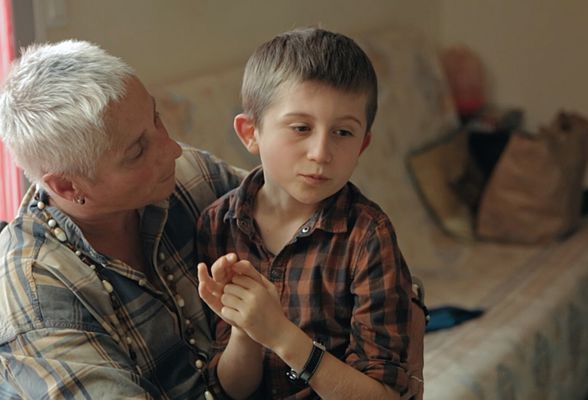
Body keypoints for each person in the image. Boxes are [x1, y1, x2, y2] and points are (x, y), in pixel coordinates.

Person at [0, 40, 244, 399]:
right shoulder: (37, 305)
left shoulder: (188, 176)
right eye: (137, 151)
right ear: (67, 185)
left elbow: (319, 220)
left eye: (156, 118)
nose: (173, 149)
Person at [197, 27, 425, 399]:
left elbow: (384, 395)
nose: (321, 152)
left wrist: (281, 335)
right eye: (301, 128)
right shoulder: (216, 224)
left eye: (343, 133)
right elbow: (233, 391)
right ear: (250, 133)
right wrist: (245, 327)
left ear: (364, 143)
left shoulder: (368, 236)